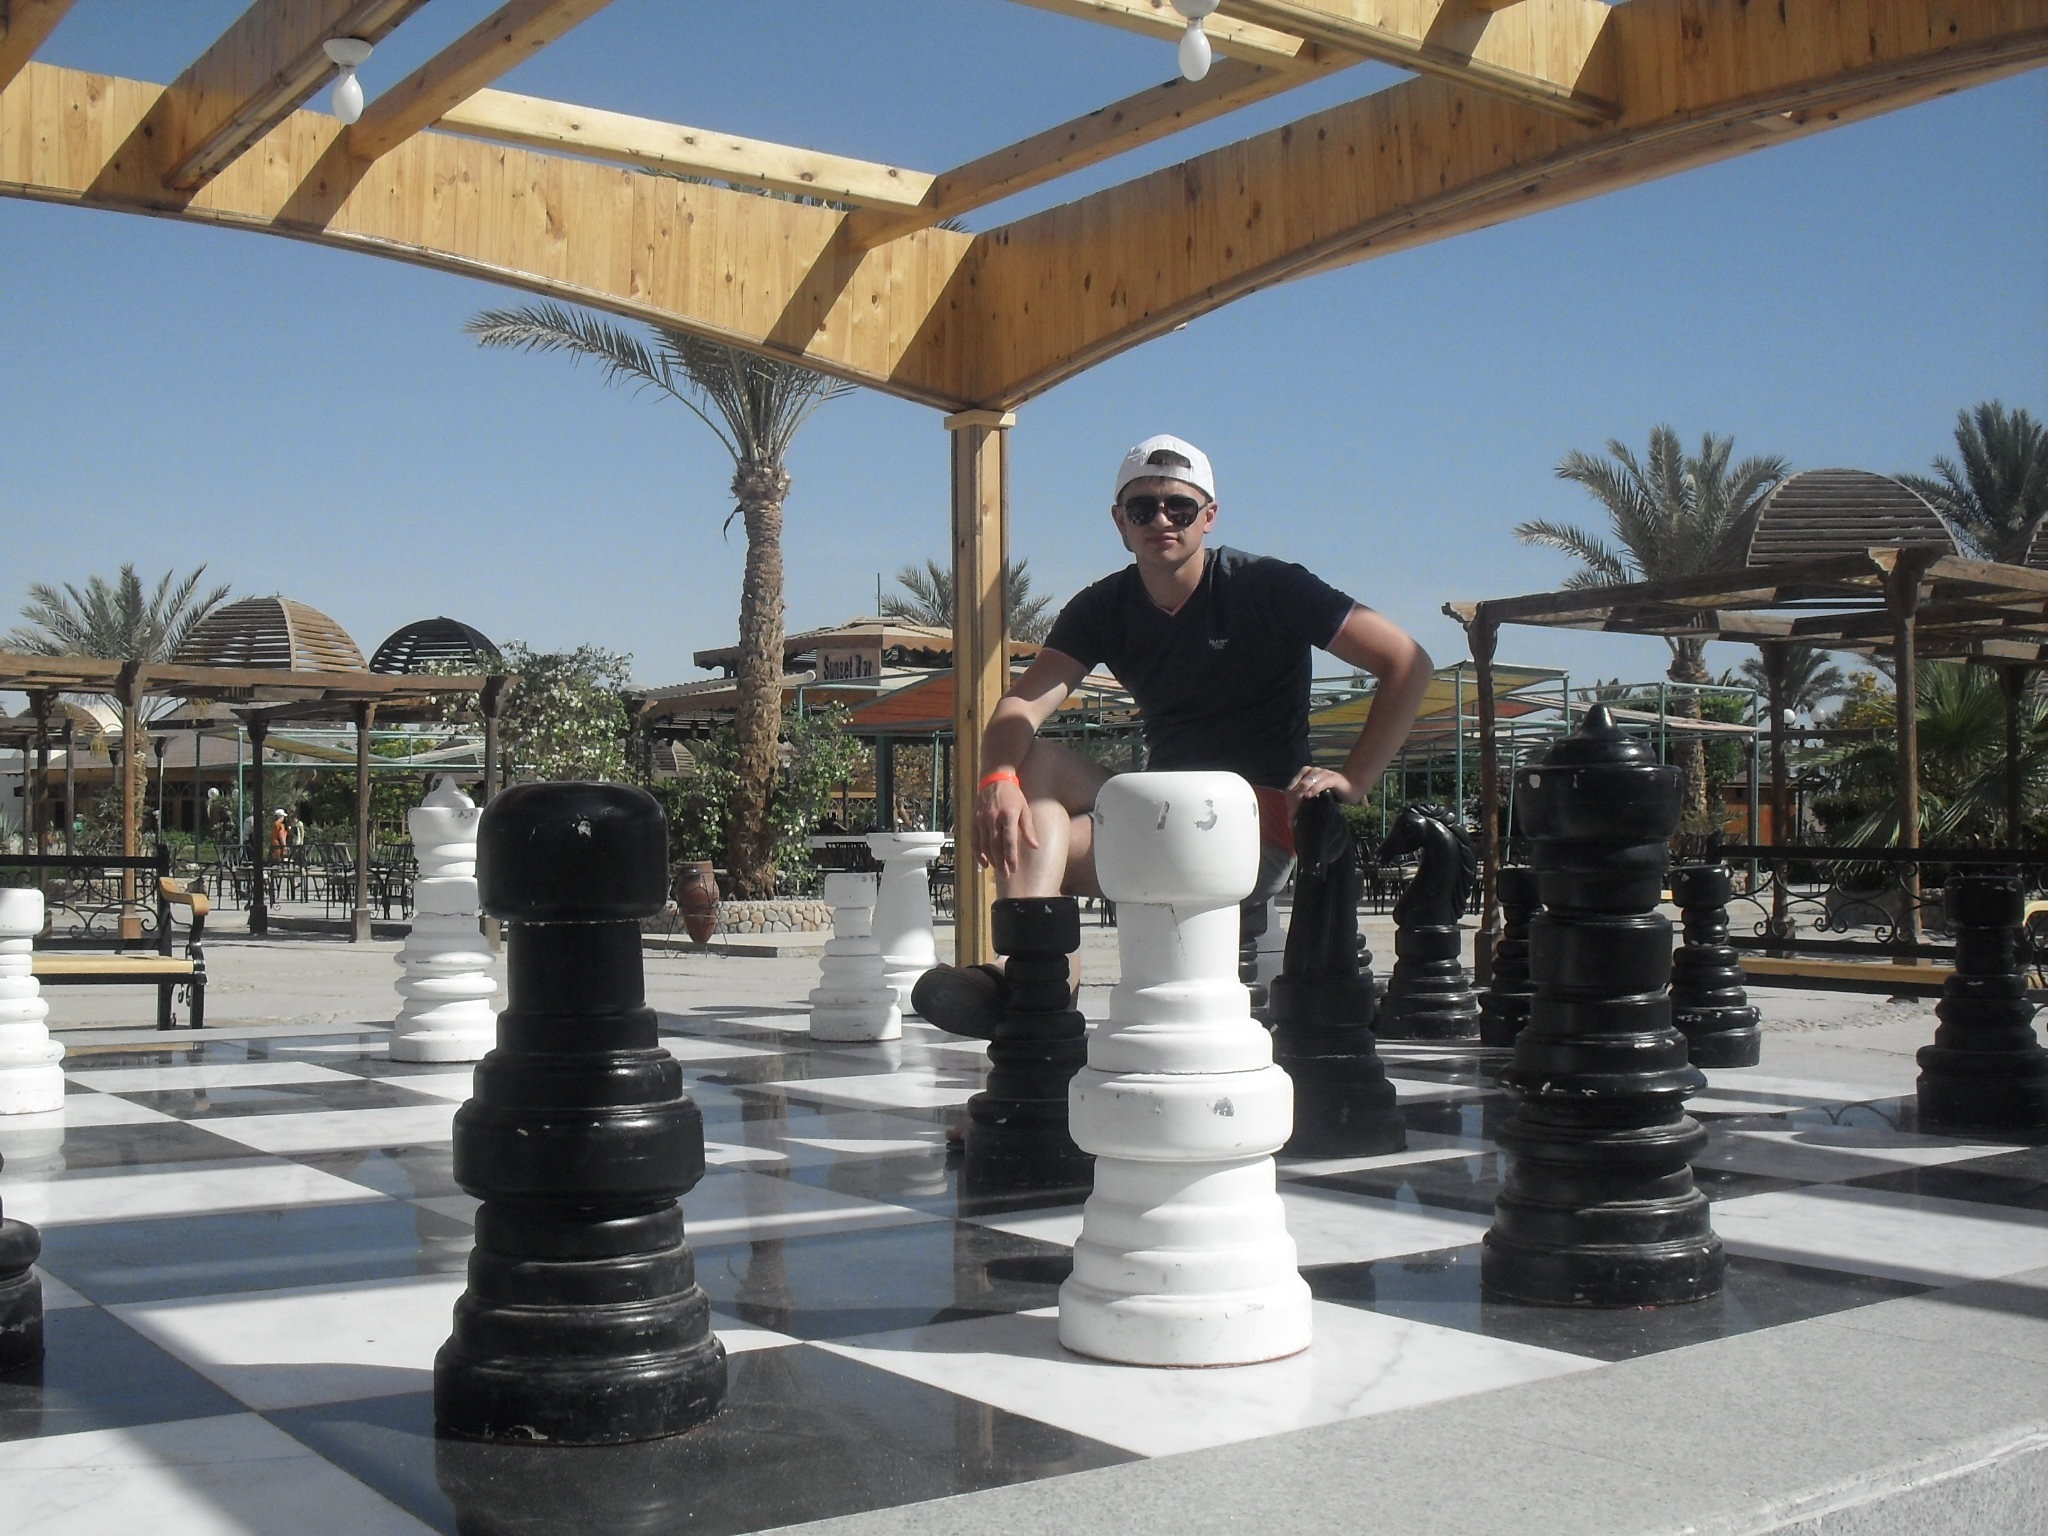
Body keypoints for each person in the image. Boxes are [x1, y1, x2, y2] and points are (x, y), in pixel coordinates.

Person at [912, 433, 1434, 1033]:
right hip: (1159, 818)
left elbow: (1407, 661)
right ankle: (1032, 979)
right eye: (1143, 509)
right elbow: (1021, 706)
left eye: (1180, 507)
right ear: (1120, 522)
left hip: (1252, 824)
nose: (1161, 520)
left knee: (1043, 786)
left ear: (1209, 517)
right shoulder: (1103, 607)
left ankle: (1034, 985)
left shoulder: (1267, 585)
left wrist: (1355, 780)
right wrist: (996, 780)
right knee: (1036, 781)